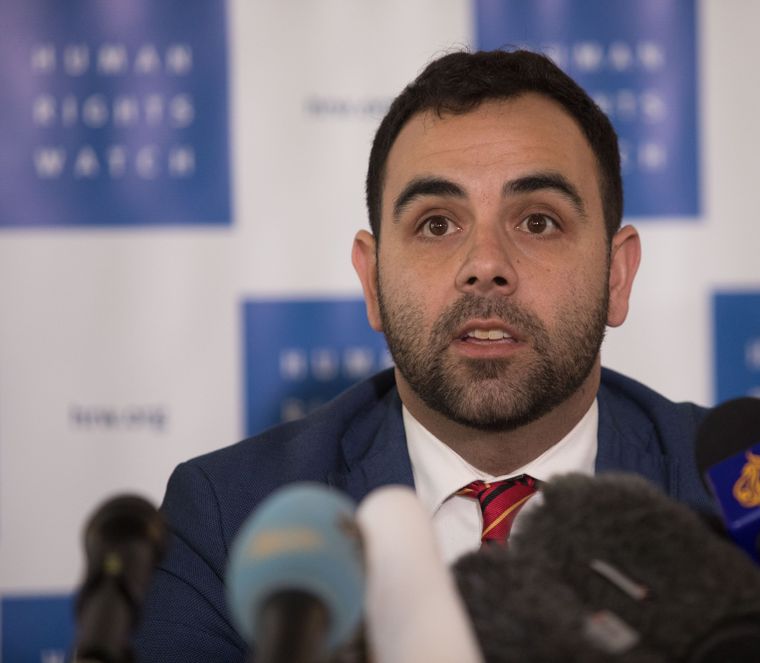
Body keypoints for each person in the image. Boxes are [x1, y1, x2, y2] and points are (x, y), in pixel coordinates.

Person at [133, 49, 712, 661]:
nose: (485, 265)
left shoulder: (741, 504)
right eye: (437, 224)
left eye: (538, 222)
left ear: (616, 275)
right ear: (372, 280)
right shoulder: (230, 520)